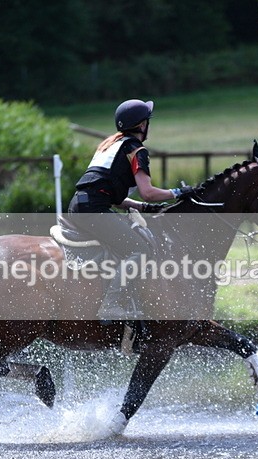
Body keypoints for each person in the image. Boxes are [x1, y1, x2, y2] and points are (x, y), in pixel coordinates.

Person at [67, 99, 193, 321]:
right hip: (94, 209)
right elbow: (148, 192)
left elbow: (106, 192)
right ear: (142, 125)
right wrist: (177, 192)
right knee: (140, 250)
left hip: (79, 205)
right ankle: (111, 305)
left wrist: (141, 207)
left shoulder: (109, 144)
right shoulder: (136, 150)